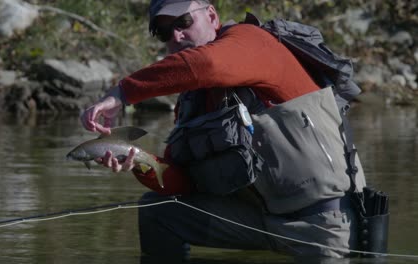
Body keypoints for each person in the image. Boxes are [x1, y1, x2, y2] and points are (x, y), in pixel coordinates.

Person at [80, 0, 367, 262]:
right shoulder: (192, 100)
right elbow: (182, 184)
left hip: (324, 222)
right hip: (257, 219)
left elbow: (209, 63)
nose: (176, 36)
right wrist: (137, 160)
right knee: (158, 211)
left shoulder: (252, 41)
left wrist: (122, 92)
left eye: (182, 23)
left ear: (212, 15)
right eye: (163, 31)